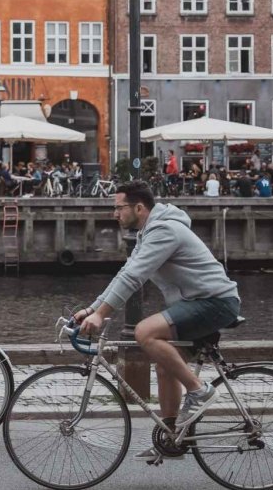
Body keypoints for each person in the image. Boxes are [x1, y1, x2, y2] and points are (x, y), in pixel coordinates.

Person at [76, 183, 241, 459]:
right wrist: (91, 308)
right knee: (165, 366)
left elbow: (133, 278)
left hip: (215, 302)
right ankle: (173, 438)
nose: (114, 213)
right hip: (196, 302)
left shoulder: (164, 231)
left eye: (118, 207)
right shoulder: (147, 233)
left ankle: (200, 392)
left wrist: (101, 315)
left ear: (138, 208)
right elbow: (125, 272)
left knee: (144, 332)